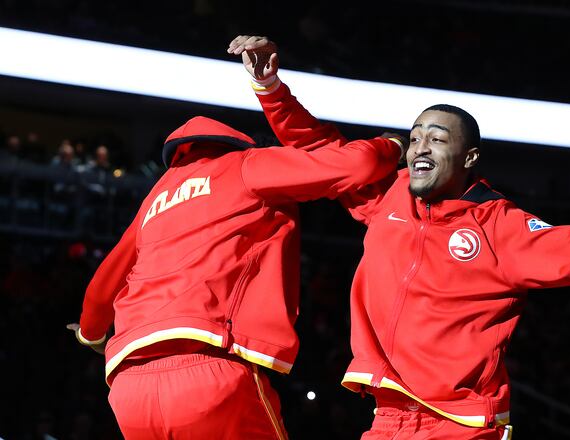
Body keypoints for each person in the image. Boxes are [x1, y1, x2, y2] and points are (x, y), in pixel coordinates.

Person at [230, 35, 570, 439]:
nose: (419, 145)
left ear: (469, 159)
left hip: (461, 426)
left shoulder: (502, 227)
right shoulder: (391, 196)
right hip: (386, 420)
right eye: (415, 136)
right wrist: (273, 91)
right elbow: (326, 150)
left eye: (437, 137)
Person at [68, 84, 405, 437]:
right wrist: (390, 145)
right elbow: (358, 164)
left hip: (128, 388)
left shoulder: (155, 198)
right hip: (210, 368)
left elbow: (101, 287)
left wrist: (90, 335)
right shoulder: (247, 164)